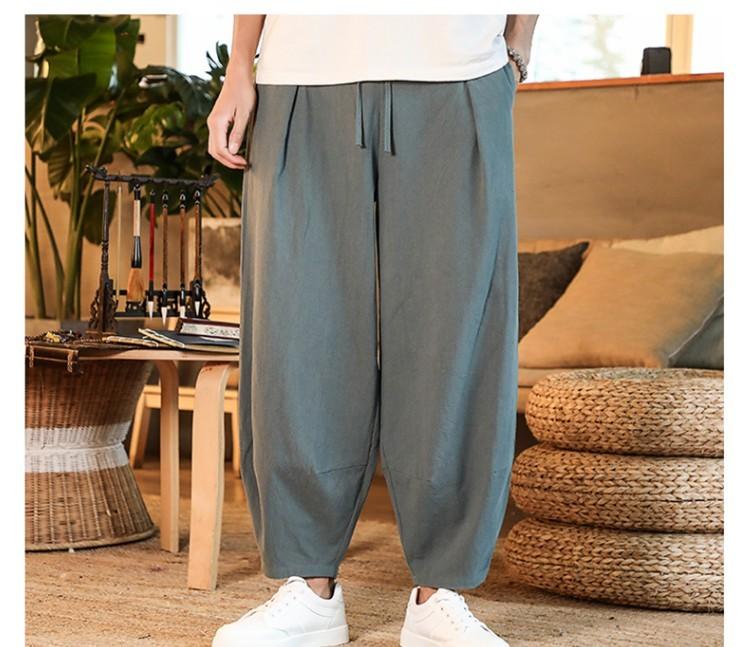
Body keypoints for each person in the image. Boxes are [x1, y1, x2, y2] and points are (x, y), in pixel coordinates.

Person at [207, 14, 538, 647]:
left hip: (457, 68)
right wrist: (240, 66)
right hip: (301, 71)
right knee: (297, 332)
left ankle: (440, 594)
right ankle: (309, 588)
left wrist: (518, 46)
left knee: (455, 334)